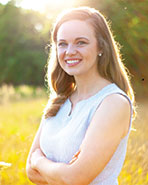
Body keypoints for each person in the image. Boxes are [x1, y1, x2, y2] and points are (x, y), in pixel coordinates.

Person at [26, 6, 136, 185]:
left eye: (81, 42)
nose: (69, 51)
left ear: (101, 46)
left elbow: (74, 179)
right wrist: (62, 172)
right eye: (62, 44)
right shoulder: (59, 100)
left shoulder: (113, 102)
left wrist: (39, 161)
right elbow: (30, 172)